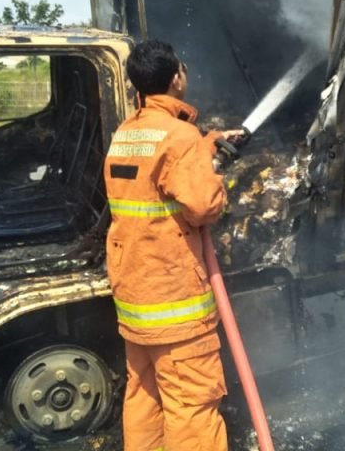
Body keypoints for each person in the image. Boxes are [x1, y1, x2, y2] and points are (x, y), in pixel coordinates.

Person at [104, 39, 242, 451]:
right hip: (175, 299)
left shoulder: (127, 134)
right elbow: (203, 207)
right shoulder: (179, 137)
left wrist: (207, 145)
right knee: (192, 404)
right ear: (177, 77)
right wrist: (212, 174)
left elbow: (153, 179)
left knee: (145, 395)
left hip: (135, 298)